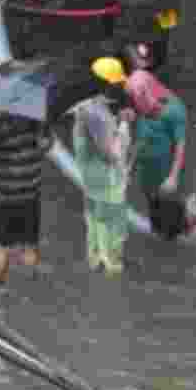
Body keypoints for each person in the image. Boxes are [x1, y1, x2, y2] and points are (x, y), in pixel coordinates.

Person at [0, 112, 51, 284]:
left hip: (30, 197)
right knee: (5, 248)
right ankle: (1, 286)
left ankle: (27, 291)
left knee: (29, 246)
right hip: (5, 198)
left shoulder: (39, 122)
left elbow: (47, 145)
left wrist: (45, 143)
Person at [73, 58, 135, 275]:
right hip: (105, 180)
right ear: (105, 84)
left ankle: (95, 259)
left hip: (90, 178)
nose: (120, 86)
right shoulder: (98, 115)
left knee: (94, 219)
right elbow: (112, 153)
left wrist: (117, 120)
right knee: (111, 223)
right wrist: (125, 126)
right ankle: (112, 265)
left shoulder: (86, 107)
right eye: (116, 83)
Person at [124, 68, 193, 239]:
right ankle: (161, 232)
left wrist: (173, 177)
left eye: (137, 98)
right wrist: (129, 167)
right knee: (155, 209)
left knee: (172, 214)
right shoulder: (141, 107)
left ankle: (181, 232)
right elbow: (140, 138)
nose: (136, 104)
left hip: (166, 173)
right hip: (148, 173)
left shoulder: (175, 110)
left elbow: (180, 145)